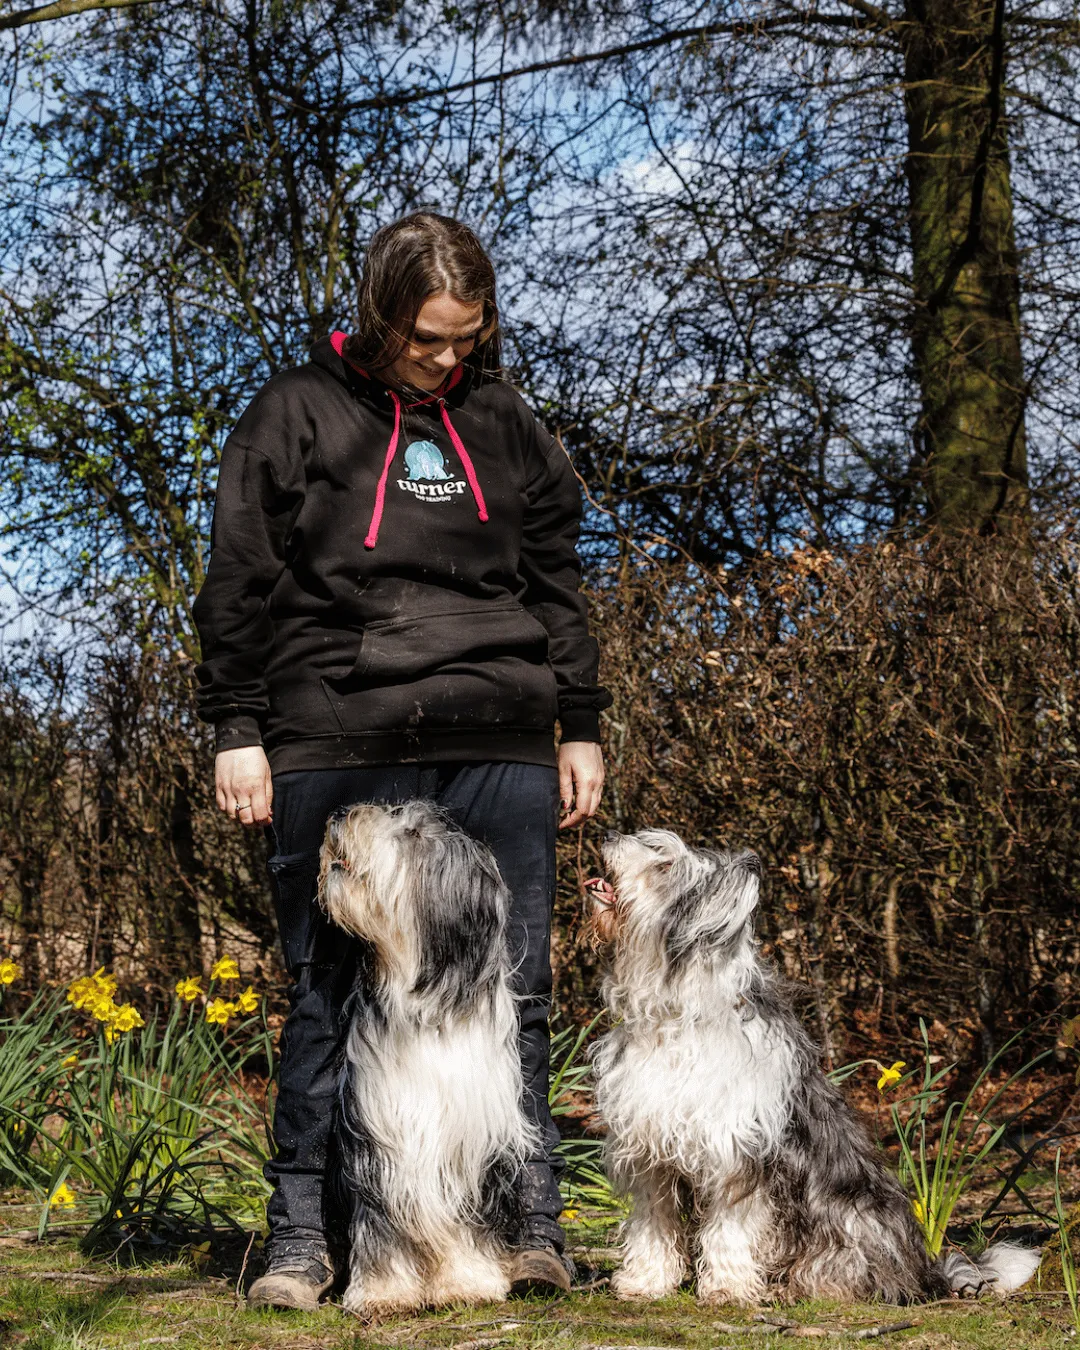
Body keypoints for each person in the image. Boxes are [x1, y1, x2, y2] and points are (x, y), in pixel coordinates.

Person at [192, 212, 610, 1310]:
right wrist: (238, 727)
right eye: (428, 338)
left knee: (513, 987)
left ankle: (529, 1226)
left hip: (498, 733)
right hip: (338, 730)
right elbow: (237, 576)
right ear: (381, 316)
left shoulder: (505, 419)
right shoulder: (293, 412)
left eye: (465, 338)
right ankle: (301, 1239)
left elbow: (557, 576)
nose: (447, 359)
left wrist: (580, 720)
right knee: (328, 990)